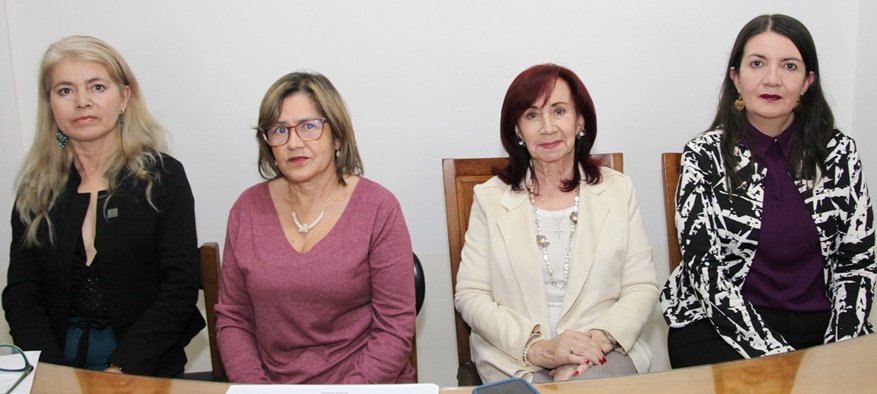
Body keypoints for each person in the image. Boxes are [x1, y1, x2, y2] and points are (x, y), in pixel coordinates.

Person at [661, 14, 876, 368]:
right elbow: (705, 268)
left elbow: (857, 263)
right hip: (721, 326)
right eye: (757, 64)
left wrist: (839, 349)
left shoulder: (840, 154)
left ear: (807, 81)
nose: (772, 79)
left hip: (825, 328)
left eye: (789, 66)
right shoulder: (704, 155)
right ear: (736, 77)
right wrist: (779, 358)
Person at [2, 35, 205, 377]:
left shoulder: (163, 177)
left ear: (124, 97)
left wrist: (123, 368)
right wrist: (53, 373)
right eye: (65, 90)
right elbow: (23, 292)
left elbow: (180, 287)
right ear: (50, 103)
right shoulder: (36, 188)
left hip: (144, 364)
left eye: (97, 87)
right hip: (54, 364)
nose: (82, 102)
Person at [454, 64, 659, 383]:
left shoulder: (618, 190)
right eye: (532, 115)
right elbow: (471, 294)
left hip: (601, 354)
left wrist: (598, 341)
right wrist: (538, 349)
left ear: (580, 121)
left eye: (559, 111)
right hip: (517, 357)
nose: (547, 127)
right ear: (518, 130)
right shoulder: (490, 198)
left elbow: (641, 285)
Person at [215, 71, 415, 384]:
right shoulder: (247, 209)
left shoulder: (379, 207)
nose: (294, 143)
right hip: (271, 388)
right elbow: (233, 318)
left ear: (337, 137)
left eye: (309, 126)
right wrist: (259, 392)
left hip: (365, 386)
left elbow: (395, 327)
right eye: (280, 130)